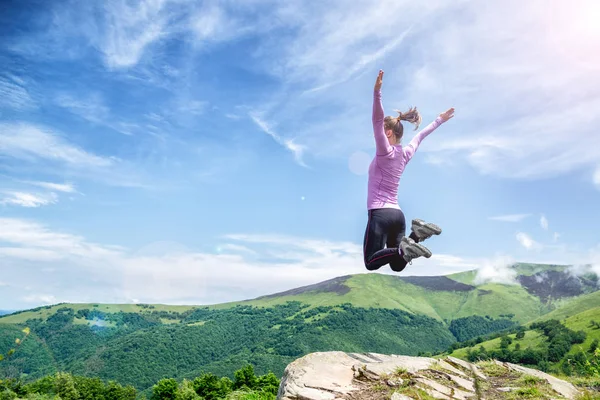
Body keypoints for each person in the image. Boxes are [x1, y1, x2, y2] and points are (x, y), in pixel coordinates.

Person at [363, 69, 454, 272]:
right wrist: (439, 120)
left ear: (387, 133)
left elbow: (377, 120)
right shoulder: (405, 154)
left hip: (380, 214)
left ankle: (407, 244)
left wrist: (377, 92)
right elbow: (420, 136)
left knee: (370, 262)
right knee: (397, 264)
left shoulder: (384, 152)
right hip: (398, 215)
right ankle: (415, 235)